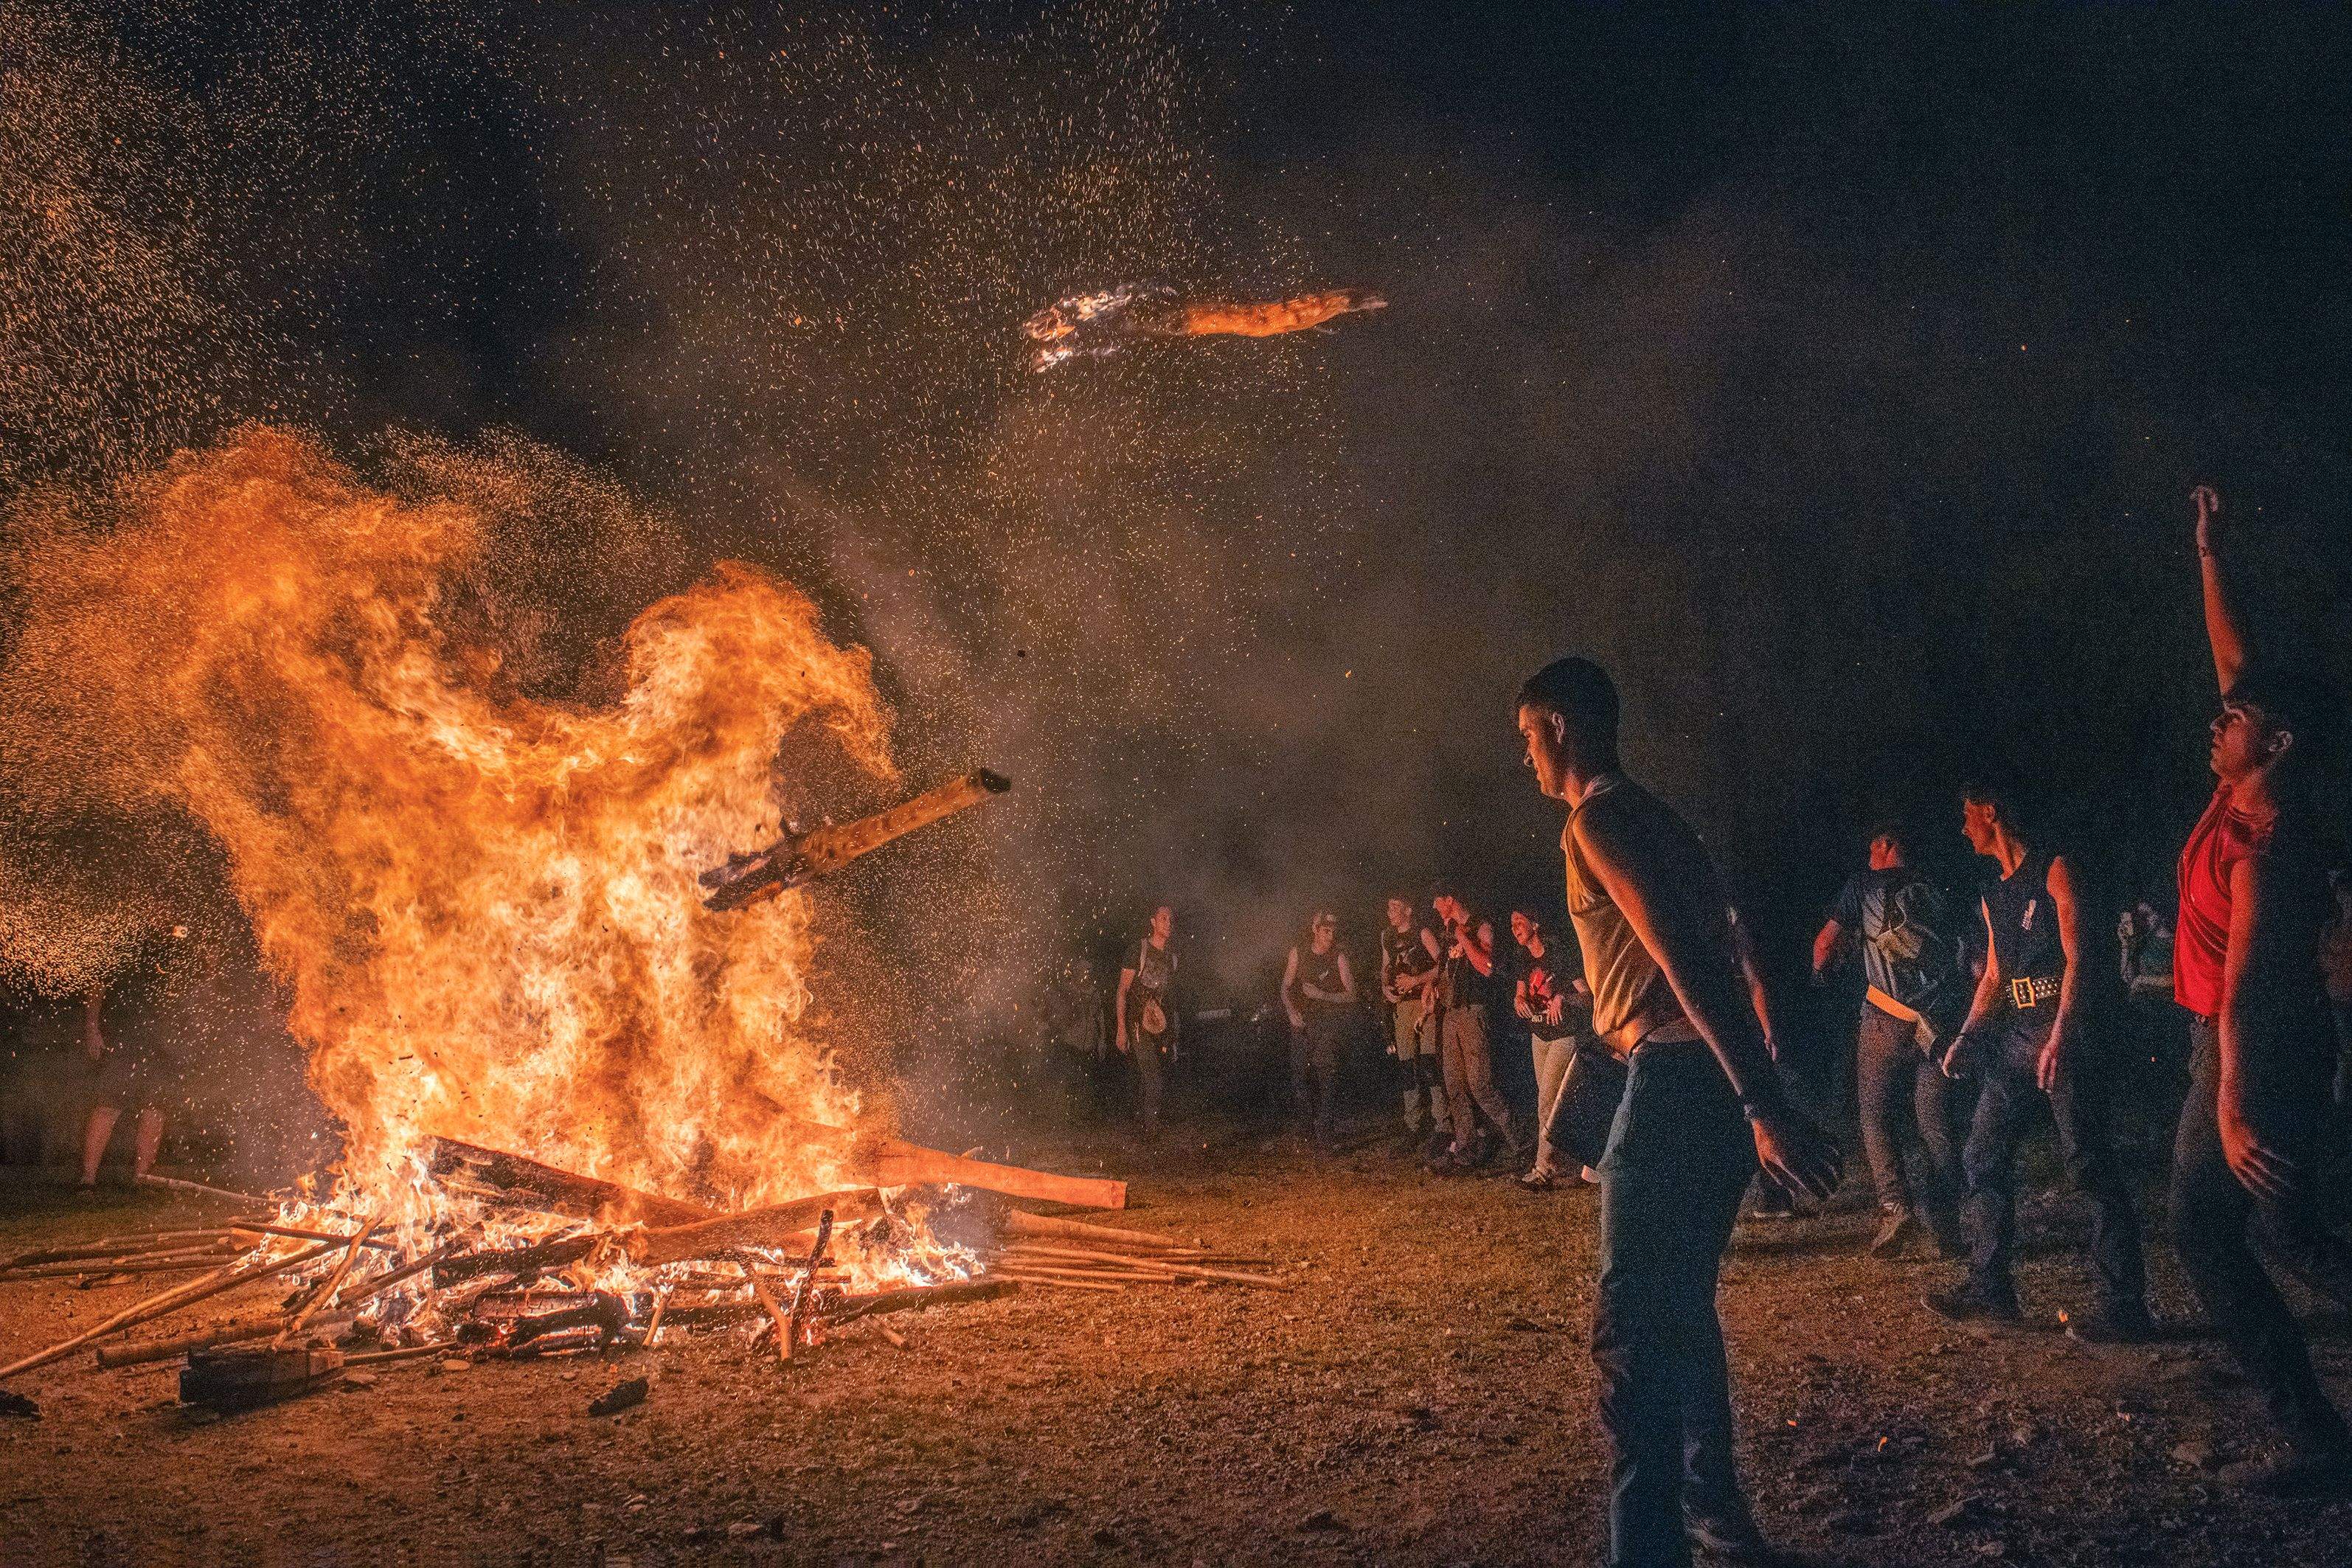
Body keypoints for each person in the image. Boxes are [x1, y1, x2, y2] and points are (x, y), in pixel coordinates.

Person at [1516, 656, 1841, 1568]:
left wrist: (1762, 1100)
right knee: (1683, 1308)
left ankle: (1648, 1548)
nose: (1526, 755)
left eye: (1528, 735)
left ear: (1562, 727)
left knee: (1631, 1334)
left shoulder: (1597, 820)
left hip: (1675, 1081)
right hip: (1692, 1080)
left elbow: (1688, 961)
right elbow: (1717, 952)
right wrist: (1751, 1091)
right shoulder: (1660, 816)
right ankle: (1715, 1514)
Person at [2163, 482, 2352, 1491]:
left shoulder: (2266, 844)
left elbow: (2243, 992)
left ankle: (2315, 1437)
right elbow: (2236, 663)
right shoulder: (2240, 789)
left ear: (2275, 742)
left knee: (2208, 1229)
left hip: (2255, 1049)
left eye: (2235, 719)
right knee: (2289, 1232)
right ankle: (2317, 1433)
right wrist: (2210, 552)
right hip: (2240, 1042)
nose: (2219, 717)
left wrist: (2229, 1103)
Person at [1923, 783, 2149, 1340]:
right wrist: (1967, 1035)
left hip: (2068, 1039)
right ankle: (1990, 1289)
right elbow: (1995, 976)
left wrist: (2061, 1037)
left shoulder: (2055, 869)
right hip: (2018, 1041)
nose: (1962, 828)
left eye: (1967, 815)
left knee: (2089, 1165)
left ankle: (2125, 1307)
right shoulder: (1993, 892)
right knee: (1982, 1154)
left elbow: (2079, 958)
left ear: (1991, 811)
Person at [1813, 825, 1970, 1257]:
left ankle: (1895, 1206)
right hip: (1939, 1024)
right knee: (1934, 1120)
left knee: (1875, 1115)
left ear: (1885, 845)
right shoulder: (1939, 886)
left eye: (1871, 846)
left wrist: (1823, 978)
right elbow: (1974, 954)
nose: (1868, 854)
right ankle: (1949, 1219)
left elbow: (1825, 946)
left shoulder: (1864, 887)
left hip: (1885, 1018)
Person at [79, 923, 190, 1190]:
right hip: (122, 1038)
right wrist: (92, 1028)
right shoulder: (121, 940)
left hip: (159, 1043)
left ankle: (142, 1178)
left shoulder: (174, 941)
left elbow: (186, 986)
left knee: (154, 1110)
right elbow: (97, 986)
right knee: (107, 1107)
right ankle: (87, 1179)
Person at [1430, 892, 1516, 1172]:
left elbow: (1486, 968)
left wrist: (1463, 937)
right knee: (1454, 1085)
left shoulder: (1481, 926)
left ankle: (1520, 1143)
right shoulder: (1448, 933)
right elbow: (1446, 971)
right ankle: (1466, 1148)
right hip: (1452, 1013)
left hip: (1473, 1011)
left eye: (1437, 901)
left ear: (1450, 899)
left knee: (1480, 1084)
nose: (1434, 907)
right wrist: (1432, 988)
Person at [1510, 908, 1592, 1190]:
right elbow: (1520, 992)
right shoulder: (1523, 959)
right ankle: (1560, 1161)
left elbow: (1587, 996)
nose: (1515, 927)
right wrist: (1519, 1000)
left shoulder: (1559, 955)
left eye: (1519, 921)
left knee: (1546, 1102)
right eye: (1512, 924)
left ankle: (1542, 1169)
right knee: (1551, 1103)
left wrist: (1562, 998)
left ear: (1535, 923)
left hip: (1562, 1036)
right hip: (1539, 1036)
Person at [1281, 912, 1356, 1152]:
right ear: (1315, 929)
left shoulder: (1338, 957)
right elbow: (1285, 987)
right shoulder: (1299, 953)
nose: (1330, 936)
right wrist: (1291, 1010)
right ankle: (1306, 1132)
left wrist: (1323, 995)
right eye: (1326, 931)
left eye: (1333, 931)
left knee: (1327, 1078)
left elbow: (1352, 994)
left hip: (1327, 1026)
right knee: (1300, 1078)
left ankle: (1325, 1133)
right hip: (1302, 1025)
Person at [1376, 896, 1446, 1153]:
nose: (1390, 911)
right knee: (1407, 1065)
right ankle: (1413, 1124)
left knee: (1430, 1062)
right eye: (1388, 907)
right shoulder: (1387, 936)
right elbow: (1385, 967)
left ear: (1408, 909)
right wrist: (1386, 988)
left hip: (1423, 1004)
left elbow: (1443, 965)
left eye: (1396, 907)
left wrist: (1417, 980)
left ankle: (1442, 1124)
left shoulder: (1422, 933)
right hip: (1402, 1007)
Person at [1114, 905, 1179, 1139]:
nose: (1168, 923)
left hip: (1158, 1024)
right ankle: (1151, 1129)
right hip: (1136, 1023)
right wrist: (1121, 1029)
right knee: (1152, 1076)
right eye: (1163, 918)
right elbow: (1122, 991)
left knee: (1151, 1075)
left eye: (1170, 920)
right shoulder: (1139, 950)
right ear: (1153, 922)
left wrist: (1172, 1034)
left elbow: (1169, 1000)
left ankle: (1142, 1124)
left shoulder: (1172, 958)